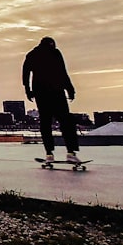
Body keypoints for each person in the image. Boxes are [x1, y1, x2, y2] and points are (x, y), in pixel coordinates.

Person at [22, 36, 81, 164]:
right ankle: (71, 152)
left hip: (41, 93)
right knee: (65, 121)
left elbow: (25, 74)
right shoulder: (55, 53)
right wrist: (70, 89)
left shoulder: (32, 54)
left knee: (45, 123)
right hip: (56, 91)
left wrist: (28, 90)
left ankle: (49, 153)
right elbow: (62, 72)